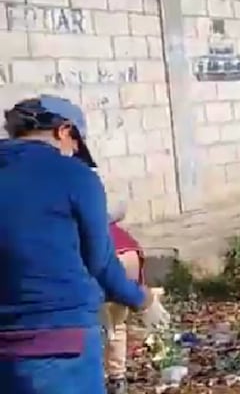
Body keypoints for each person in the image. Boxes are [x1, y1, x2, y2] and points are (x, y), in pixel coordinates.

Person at [0, 95, 170, 394]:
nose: (74, 151)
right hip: (61, 345)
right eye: (76, 143)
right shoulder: (74, 176)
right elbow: (102, 264)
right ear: (64, 131)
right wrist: (143, 299)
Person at [102, 204, 145, 394]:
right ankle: (117, 378)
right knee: (117, 325)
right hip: (130, 260)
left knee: (99, 329)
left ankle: (100, 377)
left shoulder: (82, 231)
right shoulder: (117, 231)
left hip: (108, 266)